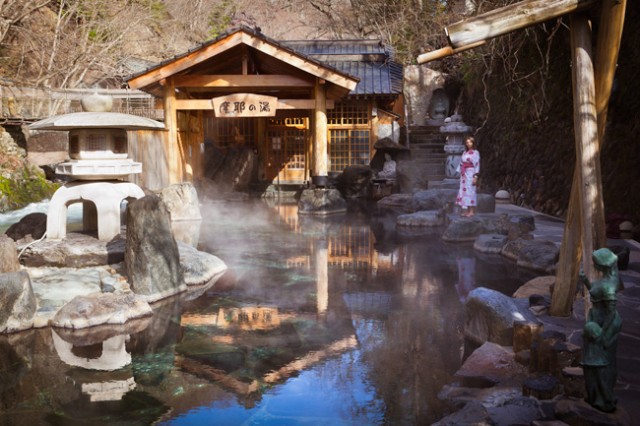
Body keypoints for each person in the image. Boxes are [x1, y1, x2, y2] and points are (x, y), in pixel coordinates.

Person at [579, 248, 622, 413]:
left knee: (601, 363)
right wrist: (587, 282)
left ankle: (604, 398)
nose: (593, 264)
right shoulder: (607, 279)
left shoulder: (609, 286)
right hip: (596, 321)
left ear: (602, 265)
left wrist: (602, 334)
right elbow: (597, 295)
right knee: (595, 362)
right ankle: (596, 396)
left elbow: (611, 313)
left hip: (603, 325)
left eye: (595, 262)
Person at [456, 136, 480, 217]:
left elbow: (477, 164)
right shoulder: (464, 153)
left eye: (470, 142)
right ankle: (466, 210)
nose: (468, 144)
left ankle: (472, 211)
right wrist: (461, 171)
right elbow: (461, 163)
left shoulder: (475, 152)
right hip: (464, 175)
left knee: (471, 190)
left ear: (473, 143)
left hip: (471, 173)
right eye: (467, 142)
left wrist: (475, 176)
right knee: (464, 191)